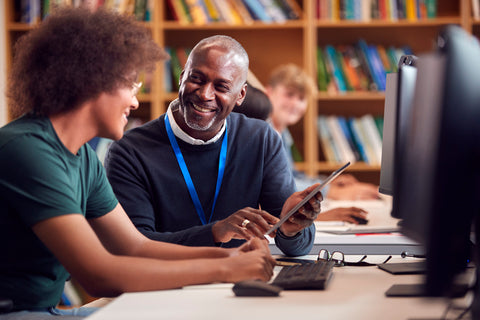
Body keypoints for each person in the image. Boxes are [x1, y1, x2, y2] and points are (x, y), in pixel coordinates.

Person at [0, 8, 277, 319]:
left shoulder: (84, 158)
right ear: (92, 80)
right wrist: (225, 268)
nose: (135, 101)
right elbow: (99, 276)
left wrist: (230, 254)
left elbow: (135, 247)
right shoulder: (28, 151)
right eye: (130, 84)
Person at [105, 35, 323, 257]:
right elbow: (134, 246)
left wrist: (290, 230)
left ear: (240, 95)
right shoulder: (129, 151)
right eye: (197, 79)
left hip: (236, 283)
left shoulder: (261, 139)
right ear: (181, 78)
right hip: (165, 285)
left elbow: (298, 248)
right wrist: (215, 232)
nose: (205, 94)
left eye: (221, 86)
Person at [265, 64, 381, 223]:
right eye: (289, 94)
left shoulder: (282, 133)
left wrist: (326, 182)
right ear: (268, 92)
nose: (295, 104)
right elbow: (278, 185)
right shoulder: (262, 133)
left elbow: (293, 176)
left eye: (301, 98)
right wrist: (331, 191)